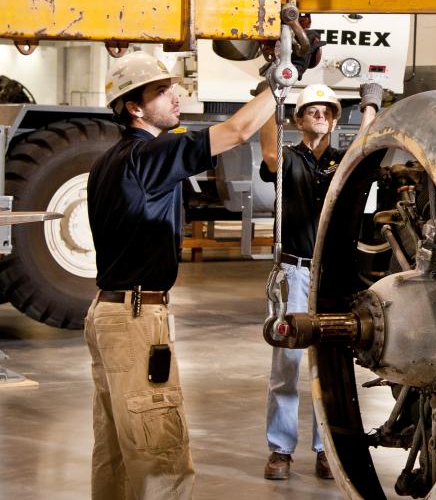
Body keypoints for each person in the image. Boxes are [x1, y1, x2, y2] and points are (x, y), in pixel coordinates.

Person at [85, 51, 280, 500]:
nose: (176, 95)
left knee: (114, 452)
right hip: (136, 318)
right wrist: (283, 80)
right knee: (161, 453)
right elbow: (236, 131)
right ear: (134, 108)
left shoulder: (109, 161)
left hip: (108, 313)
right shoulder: (148, 156)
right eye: (160, 91)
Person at [261, 81, 384, 481]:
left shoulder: (339, 163)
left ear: (334, 120)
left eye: (328, 111)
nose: (321, 115)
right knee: (288, 363)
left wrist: (370, 105)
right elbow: (267, 148)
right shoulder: (287, 158)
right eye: (312, 110)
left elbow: (366, 144)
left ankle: (324, 448)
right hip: (293, 272)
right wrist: (269, 94)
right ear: (298, 118)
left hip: (330, 275)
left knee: (327, 361)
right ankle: (280, 450)